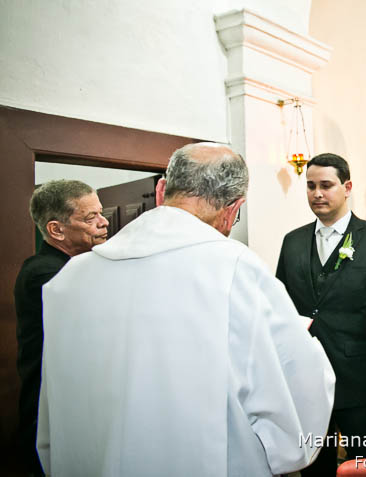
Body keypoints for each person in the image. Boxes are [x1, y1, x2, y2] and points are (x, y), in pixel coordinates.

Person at [37, 143, 334, 477]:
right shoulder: (237, 270)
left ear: (162, 190)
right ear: (233, 208)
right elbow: (298, 390)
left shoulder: (68, 280)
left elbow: (50, 417)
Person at [276, 153, 366, 475]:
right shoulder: (292, 242)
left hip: (361, 384)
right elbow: (278, 312)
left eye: (326, 185)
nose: (317, 193)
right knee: (313, 470)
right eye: (310, 186)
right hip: (305, 383)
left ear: (347, 187)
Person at [14, 180, 109, 476]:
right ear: (56, 229)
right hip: (48, 413)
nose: (103, 222)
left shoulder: (75, 266)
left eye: (101, 213)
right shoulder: (44, 273)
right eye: (90, 217)